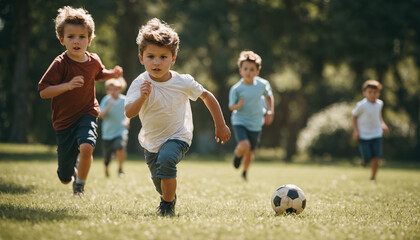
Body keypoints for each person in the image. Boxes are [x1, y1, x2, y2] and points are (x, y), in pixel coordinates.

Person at [125, 18, 231, 216]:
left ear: (173, 58)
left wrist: (220, 124)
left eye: (163, 57)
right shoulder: (140, 83)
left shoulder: (183, 82)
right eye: (151, 56)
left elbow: (207, 96)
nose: (157, 62)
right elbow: (129, 112)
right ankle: (169, 198)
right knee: (160, 181)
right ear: (142, 58)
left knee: (166, 160)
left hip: (178, 136)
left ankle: (166, 207)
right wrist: (142, 97)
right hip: (151, 142)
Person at [38, 6, 123, 195]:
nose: (77, 41)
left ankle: (80, 186)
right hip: (64, 121)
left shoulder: (93, 60)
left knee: (86, 146)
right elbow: (44, 91)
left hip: (87, 112)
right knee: (63, 177)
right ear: (62, 40)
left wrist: (112, 74)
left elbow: (98, 74)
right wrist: (67, 85)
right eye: (71, 37)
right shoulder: (60, 64)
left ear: (89, 39)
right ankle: (72, 175)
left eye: (82, 36)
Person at [229, 50, 274, 181]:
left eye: (252, 69)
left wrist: (270, 111)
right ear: (240, 71)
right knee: (245, 145)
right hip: (240, 120)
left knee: (250, 153)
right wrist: (237, 105)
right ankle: (237, 156)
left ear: (257, 72)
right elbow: (231, 106)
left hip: (256, 122)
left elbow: (269, 97)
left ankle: (245, 171)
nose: (248, 72)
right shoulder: (236, 89)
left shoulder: (263, 85)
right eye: (246, 69)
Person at [352, 80, 389, 181]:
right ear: (364, 93)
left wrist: (382, 123)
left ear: (378, 93)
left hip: (377, 133)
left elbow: (378, 114)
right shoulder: (361, 105)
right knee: (367, 157)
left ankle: (373, 177)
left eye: (375, 92)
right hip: (364, 134)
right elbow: (354, 117)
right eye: (370, 92)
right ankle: (365, 160)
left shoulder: (379, 104)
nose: (373, 94)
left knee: (376, 156)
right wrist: (356, 131)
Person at [100, 77, 130, 178]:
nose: (113, 92)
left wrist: (126, 121)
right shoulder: (106, 100)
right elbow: (102, 115)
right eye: (110, 89)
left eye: (116, 89)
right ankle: (106, 169)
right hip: (108, 133)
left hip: (120, 130)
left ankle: (120, 168)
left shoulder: (124, 99)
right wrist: (109, 105)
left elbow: (128, 113)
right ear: (107, 90)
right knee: (107, 157)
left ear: (120, 90)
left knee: (120, 146)